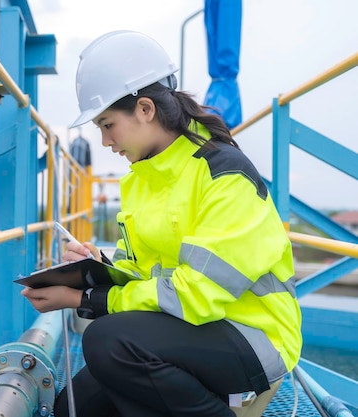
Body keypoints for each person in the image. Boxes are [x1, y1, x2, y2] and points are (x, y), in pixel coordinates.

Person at [20, 30, 302, 417]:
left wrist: (87, 300)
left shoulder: (223, 174)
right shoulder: (142, 179)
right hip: (192, 330)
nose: (105, 142)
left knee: (107, 342)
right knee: (75, 406)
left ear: (146, 110)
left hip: (253, 336)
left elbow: (197, 294)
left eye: (107, 124)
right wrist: (96, 266)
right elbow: (144, 271)